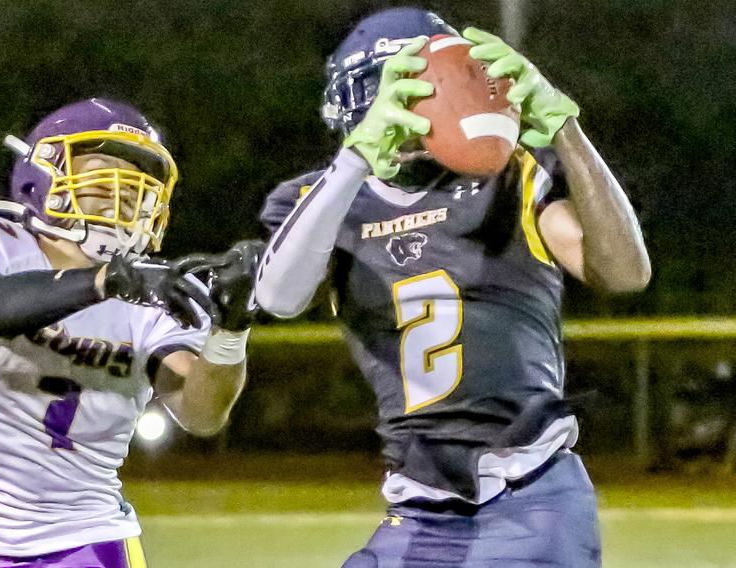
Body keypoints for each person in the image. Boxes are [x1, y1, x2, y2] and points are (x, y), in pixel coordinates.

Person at [255, 7, 650, 567]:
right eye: (406, 89)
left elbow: (625, 273)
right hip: (416, 507)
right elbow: (280, 297)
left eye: (436, 86)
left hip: (530, 491)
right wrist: (354, 162)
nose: (424, 104)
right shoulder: (319, 200)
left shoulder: (514, 174)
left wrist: (566, 130)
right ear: (358, 104)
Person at [0, 97, 261, 568]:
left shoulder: (156, 289)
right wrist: (103, 282)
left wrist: (231, 330)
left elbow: (202, 412)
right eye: (105, 166)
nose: (127, 189)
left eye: (141, 180)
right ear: (43, 171)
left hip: (86, 542)